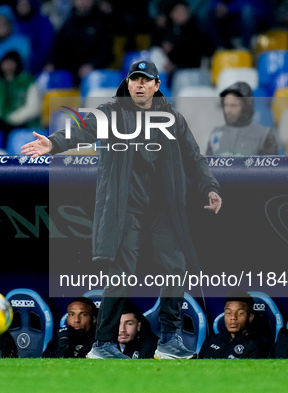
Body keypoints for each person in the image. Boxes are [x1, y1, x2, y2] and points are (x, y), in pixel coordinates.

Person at [22, 59, 222, 359]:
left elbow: (194, 156)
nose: (139, 84)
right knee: (120, 274)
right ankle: (103, 344)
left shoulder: (172, 119)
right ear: (128, 83)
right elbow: (81, 130)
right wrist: (53, 144)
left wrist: (210, 186)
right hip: (125, 210)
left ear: (157, 85)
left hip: (163, 212)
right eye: (135, 79)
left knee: (175, 265)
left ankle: (169, 340)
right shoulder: (112, 113)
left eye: (146, 80)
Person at [206, 81, 278, 156]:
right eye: (225, 105)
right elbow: (206, 165)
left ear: (246, 107)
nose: (227, 111)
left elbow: (272, 166)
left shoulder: (264, 135)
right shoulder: (216, 133)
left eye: (233, 105)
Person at [0, 50, 40, 135]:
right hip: (3, 126)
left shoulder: (28, 82)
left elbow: (33, 109)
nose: (8, 66)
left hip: (24, 126)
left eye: (12, 62)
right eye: (6, 62)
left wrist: (12, 120)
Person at [198, 295, 267, 359]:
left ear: (250, 317)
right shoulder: (212, 340)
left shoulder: (256, 346)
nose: (233, 317)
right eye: (228, 313)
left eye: (240, 313)